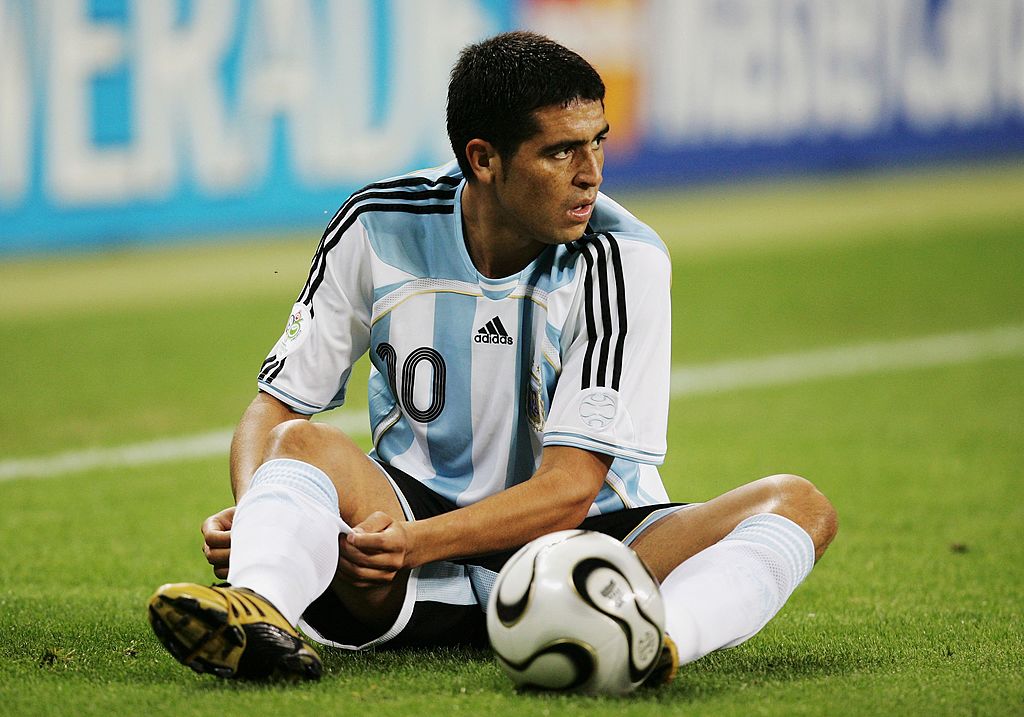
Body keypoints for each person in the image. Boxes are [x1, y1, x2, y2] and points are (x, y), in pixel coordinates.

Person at [147, 31, 837, 684]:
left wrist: (416, 545)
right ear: (483, 159)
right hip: (399, 549)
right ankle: (254, 608)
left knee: (797, 504)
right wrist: (256, 515)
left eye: (597, 143)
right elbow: (275, 407)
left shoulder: (623, 258)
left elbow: (570, 489)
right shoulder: (378, 223)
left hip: (583, 558)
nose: (591, 174)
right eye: (561, 151)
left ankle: (653, 640)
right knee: (297, 443)